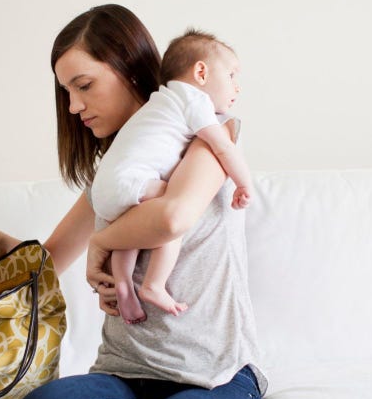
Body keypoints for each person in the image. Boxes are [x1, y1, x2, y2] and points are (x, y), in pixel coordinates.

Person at [0, 4, 267, 399]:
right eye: (67, 93)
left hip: (214, 378)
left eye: (84, 85)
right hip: (123, 374)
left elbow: (173, 216)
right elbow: (50, 261)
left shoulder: (210, 133)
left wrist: (102, 243)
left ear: (130, 70)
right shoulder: (113, 179)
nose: (75, 105)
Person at [92, 29, 253, 324]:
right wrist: (244, 183)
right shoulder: (194, 101)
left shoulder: (160, 103)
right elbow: (223, 148)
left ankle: (125, 283)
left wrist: (101, 240)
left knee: (132, 229)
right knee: (170, 201)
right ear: (201, 72)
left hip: (107, 188)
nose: (237, 88)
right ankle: (154, 283)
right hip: (131, 181)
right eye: (231, 75)